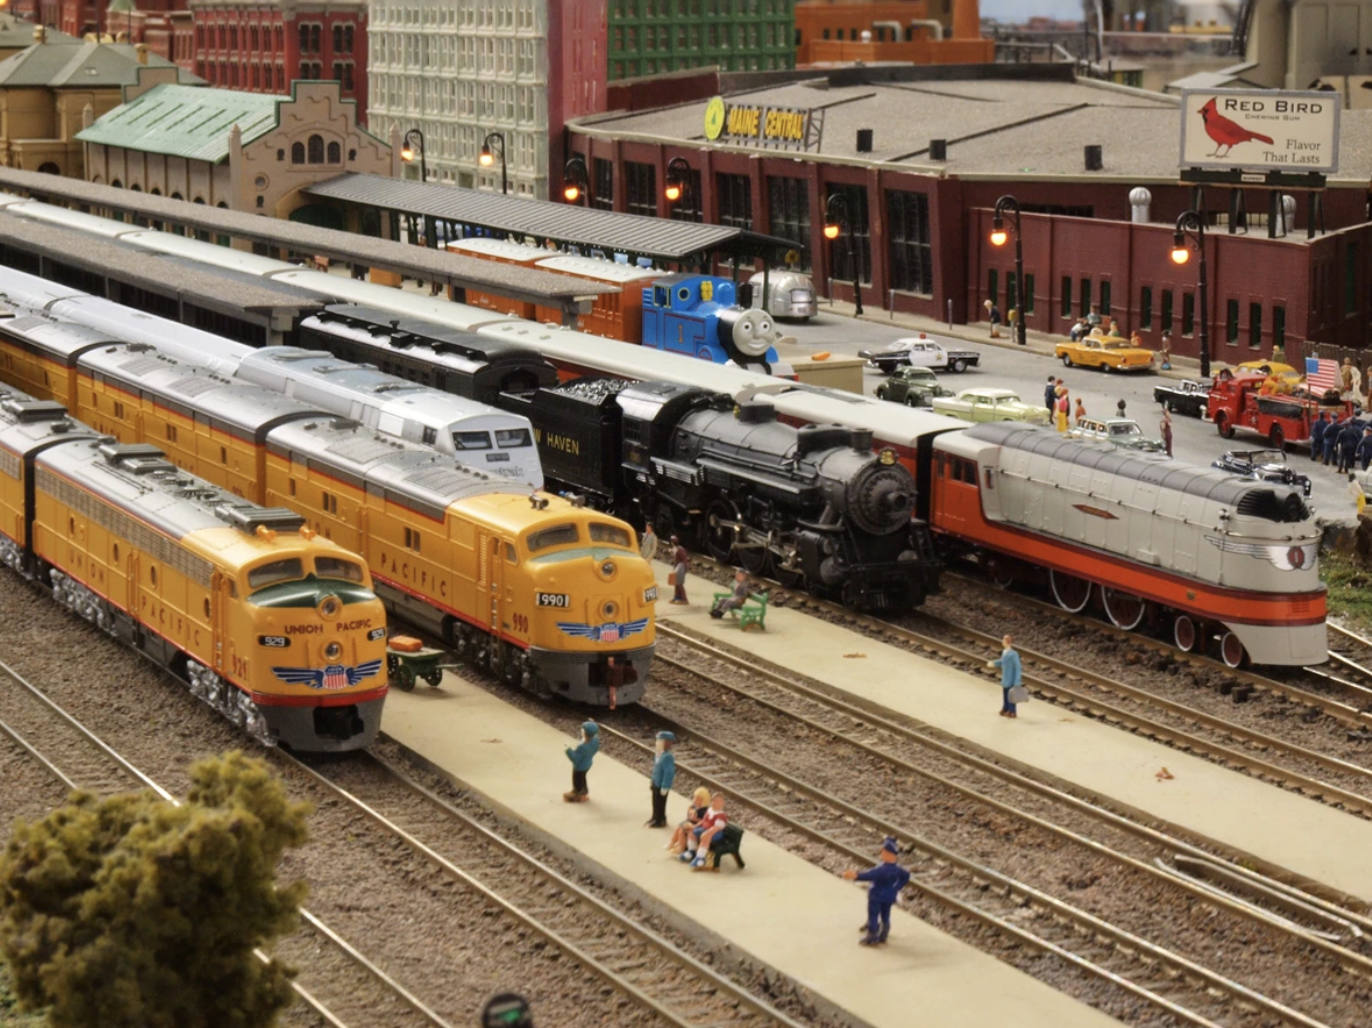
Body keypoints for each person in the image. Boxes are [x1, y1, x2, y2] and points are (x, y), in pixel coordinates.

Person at [843, 837, 911, 947]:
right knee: (886, 915)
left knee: (873, 915)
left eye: (883, 851)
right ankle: (884, 934)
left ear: (889, 854)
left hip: (876, 895)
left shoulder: (881, 869)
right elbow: (906, 876)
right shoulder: (898, 869)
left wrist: (855, 875)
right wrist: (896, 887)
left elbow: (868, 875)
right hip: (890, 895)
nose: (881, 853)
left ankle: (872, 936)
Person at [682, 793, 729, 869]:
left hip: (715, 833)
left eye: (718, 801)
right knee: (692, 832)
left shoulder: (721, 815)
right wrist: (695, 826)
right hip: (705, 829)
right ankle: (692, 851)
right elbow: (703, 821)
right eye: (714, 801)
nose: (715, 803)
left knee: (705, 838)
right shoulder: (710, 810)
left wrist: (708, 833)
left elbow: (716, 828)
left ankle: (700, 858)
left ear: (722, 803)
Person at [666, 787, 712, 853]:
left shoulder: (704, 811)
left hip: (697, 825)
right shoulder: (693, 806)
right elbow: (689, 817)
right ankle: (672, 842)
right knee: (678, 828)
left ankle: (681, 846)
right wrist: (689, 814)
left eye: (698, 800)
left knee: (681, 831)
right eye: (695, 798)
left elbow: (704, 822)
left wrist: (696, 819)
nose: (695, 800)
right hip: (690, 822)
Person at [563, 721, 600, 803]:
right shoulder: (595, 740)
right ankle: (584, 792)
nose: (581, 731)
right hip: (588, 763)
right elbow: (596, 749)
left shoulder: (582, 747)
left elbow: (575, 759)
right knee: (582, 778)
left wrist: (568, 750)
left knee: (577, 780)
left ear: (585, 733)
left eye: (583, 730)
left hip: (580, 767)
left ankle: (577, 793)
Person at [647, 730, 676, 828]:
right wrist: (652, 781)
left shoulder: (668, 757)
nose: (657, 743)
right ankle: (655, 817)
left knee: (660, 803)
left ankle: (660, 820)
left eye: (660, 741)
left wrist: (665, 786)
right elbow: (656, 769)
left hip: (661, 784)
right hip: (656, 782)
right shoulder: (658, 754)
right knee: (655, 802)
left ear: (667, 743)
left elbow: (669, 772)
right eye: (657, 741)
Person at [988, 634, 1022, 719]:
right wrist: (994, 663)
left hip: (1011, 679)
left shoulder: (1014, 654)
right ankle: (1005, 708)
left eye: (1003, 640)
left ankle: (1012, 711)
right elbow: (1002, 662)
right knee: (1005, 694)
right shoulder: (1004, 652)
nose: (1002, 642)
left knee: (1011, 695)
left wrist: (1017, 681)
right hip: (1006, 678)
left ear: (1007, 642)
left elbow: (1017, 667)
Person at [669, 534, 689, 604]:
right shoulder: (675, 549)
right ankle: (677, 597)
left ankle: (684, 599)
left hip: (681, 567)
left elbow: (684, 559)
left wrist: (685, 568)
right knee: (676, 582)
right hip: (678, 566)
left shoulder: (680, 549)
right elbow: (676, 559)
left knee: (679, 583)